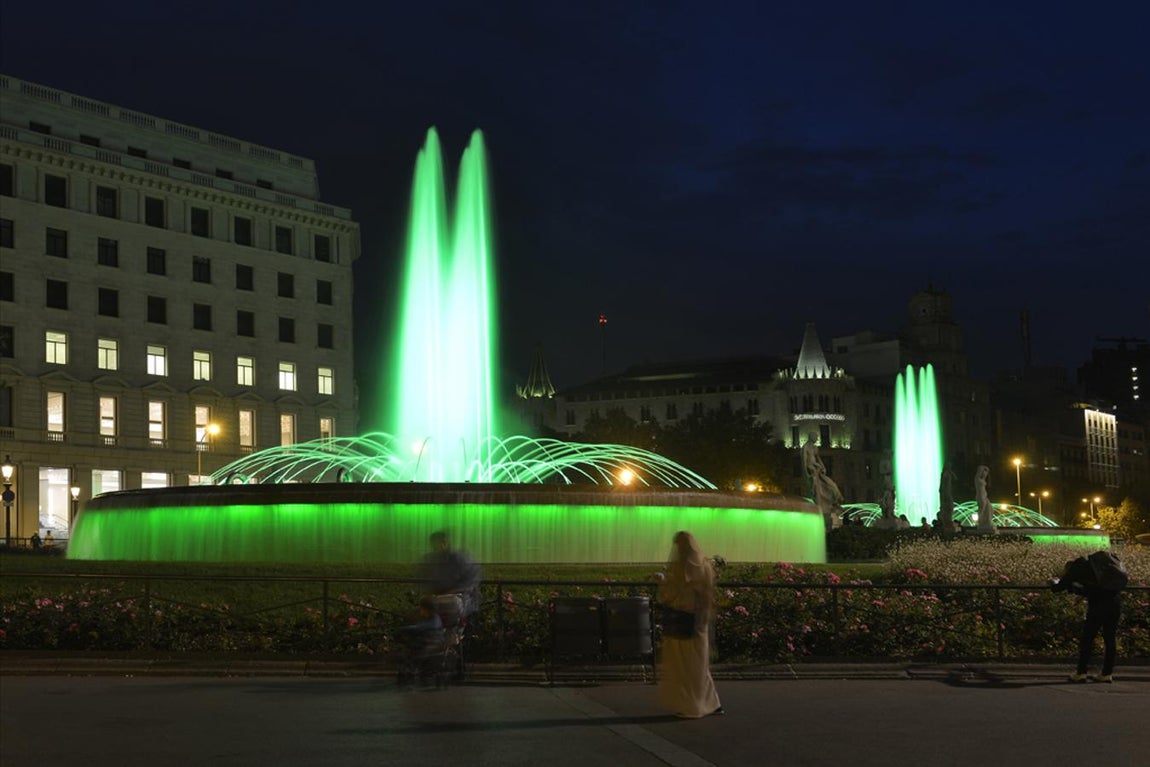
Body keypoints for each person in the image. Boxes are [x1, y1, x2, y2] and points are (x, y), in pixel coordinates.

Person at [655, 531, 723, 719]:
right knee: (699, 665)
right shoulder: (704, 565)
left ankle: (691, 707)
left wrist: (661, 580)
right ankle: (712, 703)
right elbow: (706, 594)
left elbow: (671, 594)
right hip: (699, 621)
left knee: (684, 666)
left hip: (682, 620)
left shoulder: (683, 567)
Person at [1052, 556, 1121, 683]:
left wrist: (1053, 583)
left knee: (1087, 639)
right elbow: (1089, 588)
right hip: (1115, 604)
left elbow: (1059, 587)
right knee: (1110, 639)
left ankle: (1081, 672)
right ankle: (1107, 673)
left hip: (1098, 606)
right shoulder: (1099, 567)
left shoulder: (1076, 567)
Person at [420, 531, 482, 616]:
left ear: (444, 542)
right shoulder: (438, 560)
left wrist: (450, 592)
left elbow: (469, 582)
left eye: (435, 546)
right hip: (450, 601)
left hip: (460, 602)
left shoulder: (459, 559)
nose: (434, 550)